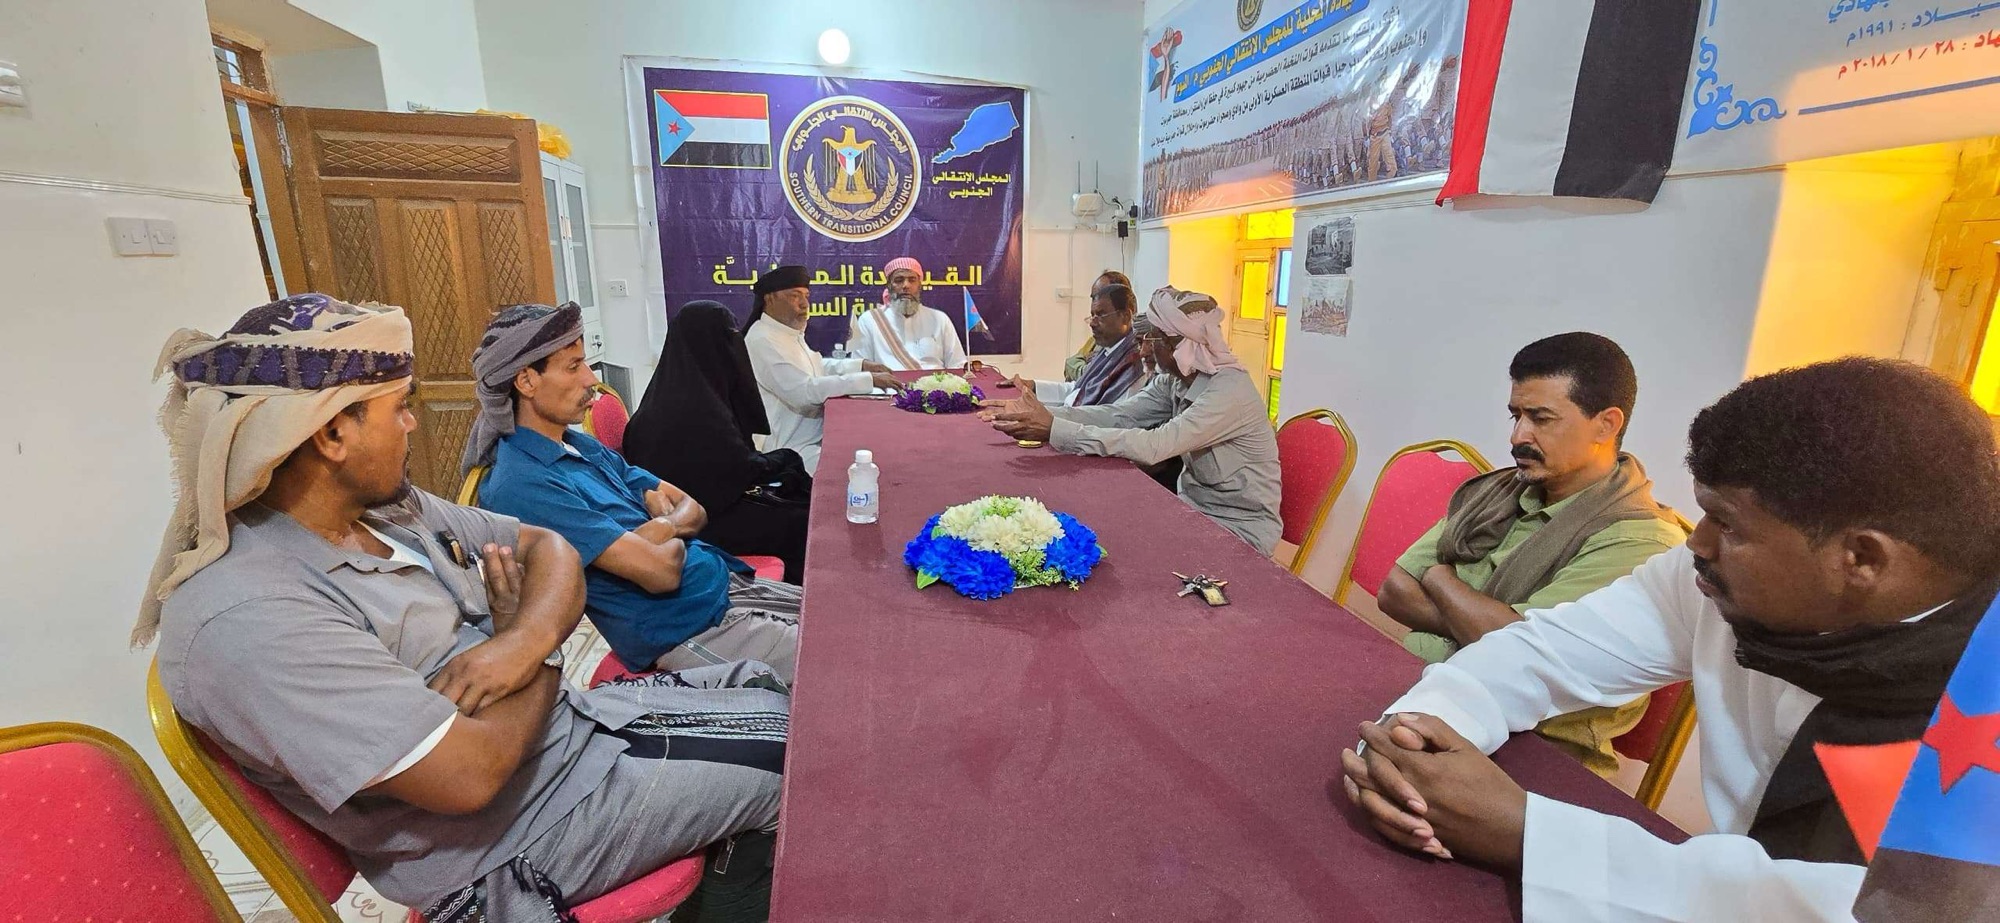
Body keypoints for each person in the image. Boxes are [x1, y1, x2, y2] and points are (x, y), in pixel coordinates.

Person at [143, 294, 791, 922]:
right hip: (513, 841)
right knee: (796, 764)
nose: (412, 424)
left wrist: (518, 641)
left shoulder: (388, 511)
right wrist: (539, 645)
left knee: (769, 688)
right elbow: (472, 775)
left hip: (567, 741)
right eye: (399, 408)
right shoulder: (249, 615)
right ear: (333, 432)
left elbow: (551, 549)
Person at [1340, 357, 2000, 922]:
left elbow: (1890, 911)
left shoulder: (1984, 683)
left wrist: (1531, 835)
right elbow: (1540, 652)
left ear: (1862, 559)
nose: (1696, 542)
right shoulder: (1712, 577)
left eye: (1726, 523)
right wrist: (1421, 737)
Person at [1378, 333, 1688, 777]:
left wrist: (1440, 578)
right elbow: (1393, 592)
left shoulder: (1639, 540)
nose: (1518, 436)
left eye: (1541, 419)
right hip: (1419, 692)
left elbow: (1518, 655)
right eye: (1516, 415)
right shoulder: (1499, 492)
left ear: (1606, 424)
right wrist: (1481, 625)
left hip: (1527, 752)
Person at [467, 303, 808, 684]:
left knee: (845, 622)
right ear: (526, 381)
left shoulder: (579, 445)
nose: (590, 378)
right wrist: (668, 522)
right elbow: (661, 573)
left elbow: (695, 510)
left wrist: (655, 530)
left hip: (721, 583)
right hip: (690, 627)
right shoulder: (524, 484)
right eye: (573, 366)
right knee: (843, 666)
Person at [985, 286, 1281, 554]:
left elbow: (1154, 445)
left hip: (1237, 530)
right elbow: (1119, 415)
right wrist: (1043, 415)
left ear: (1177, 345)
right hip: (1191, 512)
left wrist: (1054, 429)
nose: (1144, 349)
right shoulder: (1176, 380)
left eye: (1151, 339)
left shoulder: (1229, 391)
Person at [625, 301, 810, 584]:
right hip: (696, 525)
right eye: (728, 336)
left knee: (796, 501)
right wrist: (786, 459)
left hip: (702, 507)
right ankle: (797, 602)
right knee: (803, 522)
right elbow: (738, 471)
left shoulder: (671, 391)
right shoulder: (697, 410)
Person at [744, 265, 902, 473]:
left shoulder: (788, 332)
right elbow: (803, 391)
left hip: (815, 438)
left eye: (806, 296)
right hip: (787, 450)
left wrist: (860, 365)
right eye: (794, 296)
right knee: (855, 470)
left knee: (874, 447)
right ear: (770, 299)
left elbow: (816, 367)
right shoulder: (762, 339)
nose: (804, 304)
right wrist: (867, 379)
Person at [1028, 284, 1148, 408]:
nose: (1092, 323)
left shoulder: (1133, 364)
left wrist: (1049, 415)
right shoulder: (1107, 351)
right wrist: (1033, 386)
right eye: (1092, 315)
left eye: (1100, 315)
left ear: (1125, 316)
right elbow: (1078, 390)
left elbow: (1110, 414)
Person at [848, 257, 970, 371]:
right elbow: (861, 368)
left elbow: (957, 365)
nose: (906, 286)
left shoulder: (940, 319)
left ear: (920, 285)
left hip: (935, 385)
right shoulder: (869, 320)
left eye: (912, 280)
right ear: (889, 286)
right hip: (890, 386)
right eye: (899, 280)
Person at [1066, 270, 1134, 382]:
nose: (1096, 300)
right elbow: (1070, 363)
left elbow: (1094, 378)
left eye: (1102, 294)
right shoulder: (1096, 339)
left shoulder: (1135, 347)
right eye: (1093, 296)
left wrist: (1087, 370)